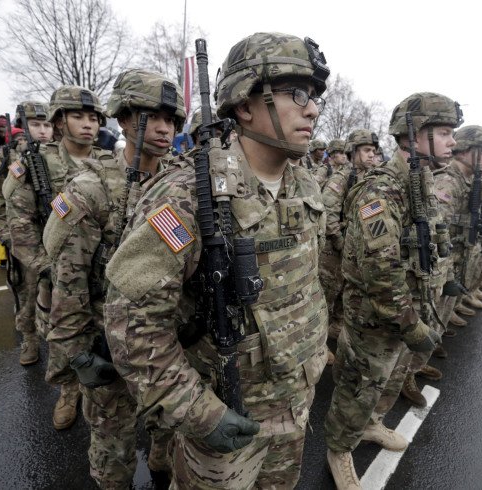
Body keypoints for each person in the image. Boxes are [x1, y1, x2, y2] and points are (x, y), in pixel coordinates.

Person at [103, 32, 329, 489]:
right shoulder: (189, 193)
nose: (313, 109)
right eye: (298, 94)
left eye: (317, 97)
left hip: (294, 405)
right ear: (244, 105)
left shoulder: (304, 184)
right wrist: (198, 413)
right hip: (224, 418)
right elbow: (132, 325)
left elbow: (309, 284)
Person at [43, 69, 184, 488]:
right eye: (150, 116)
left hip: (165, 337)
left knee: (167, 422)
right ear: (122, 120)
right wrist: (76, 356)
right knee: (112, 446)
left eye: (171, 120)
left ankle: (159, 452)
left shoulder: (181, 183)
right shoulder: (91, 189)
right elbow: (68, 284)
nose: (164, 128)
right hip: (107, 339)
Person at [323, 93, 455, 489]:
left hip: (407, 310)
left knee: (386, 382)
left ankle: (368, 426)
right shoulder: (380, 190)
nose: (452, 142)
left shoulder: (421, 182)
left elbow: (430, 240)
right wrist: (411, 324)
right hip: (378, 316)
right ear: (414, 136)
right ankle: (339, 446)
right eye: (445, 133)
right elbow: (380, 270)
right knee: (359, 386)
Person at [3, 85, 110, 431]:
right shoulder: (35, 164)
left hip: (104, 272)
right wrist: (44, 267)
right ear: (59, 121)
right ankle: (68, 389)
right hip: (56, 271)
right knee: (64, 335)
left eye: (93, 117)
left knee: (108, 337)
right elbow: (19, 222)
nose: (88, 124)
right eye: (78, 116)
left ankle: (107, 397)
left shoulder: (111, 161)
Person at [0, 102, 51, 367]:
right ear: (23, 126)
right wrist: (11, 239)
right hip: (24, 241)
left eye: (46, 125)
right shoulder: (7, 157)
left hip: (57, 240)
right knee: (27, 294)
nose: (42, 131)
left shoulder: (58, 155)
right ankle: (30, 339)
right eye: (35, 125)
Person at [435, 125, 482, 324]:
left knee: (446, 307)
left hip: (459, 253)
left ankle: (445, 318)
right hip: (445, 261)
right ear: (463, 150)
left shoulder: (471, 180)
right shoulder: (448, 182)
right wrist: (446, 276)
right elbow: (436, 234)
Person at [320, 129, 378, 353]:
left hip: (355, 249)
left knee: (346, 292)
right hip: (334, 252)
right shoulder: (341, 178)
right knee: (327, 293)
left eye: (373, 151)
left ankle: (336, 327)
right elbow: (328, 213)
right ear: (353, 152)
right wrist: (340, 241)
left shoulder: (371, 178)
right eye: (366, 150)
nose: (371, 155)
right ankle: (320, 344)